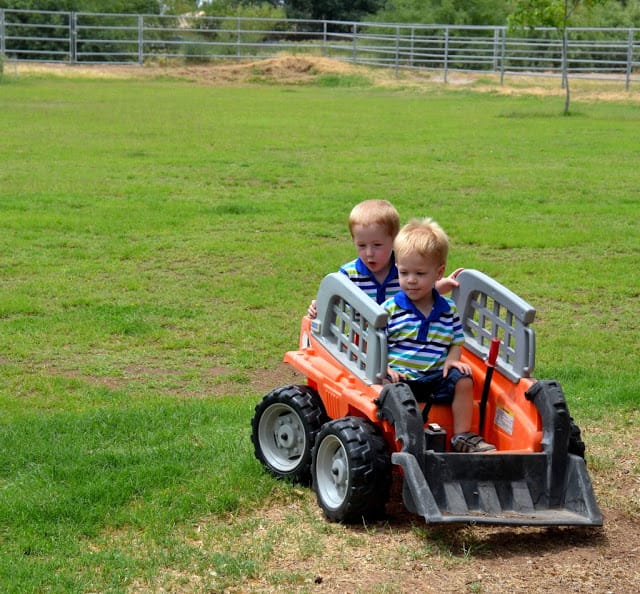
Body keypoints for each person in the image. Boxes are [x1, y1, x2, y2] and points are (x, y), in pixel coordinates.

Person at [383, 218, 495, 453]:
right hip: (403, 378)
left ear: (439, 272)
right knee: (390, 389)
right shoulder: (390, 309)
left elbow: (456, 339)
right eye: (404, 272)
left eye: (420, 273)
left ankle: (462, 436)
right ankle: (409, 441)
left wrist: (452, 359)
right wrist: (385, 366)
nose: (411, 280)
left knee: (464, 380)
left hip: (434, 376)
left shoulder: (447, 310)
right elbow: (377, 340)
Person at [307, 199, 462, 318]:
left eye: (377, 245)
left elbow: (418, 290)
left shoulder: (405, 270)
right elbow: (332, 297)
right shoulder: (349, 275)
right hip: (361, 342)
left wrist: (442, 284)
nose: (369, 253)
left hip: (398, 339)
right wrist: (318, 305)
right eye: (361, 245)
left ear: (394, 240)